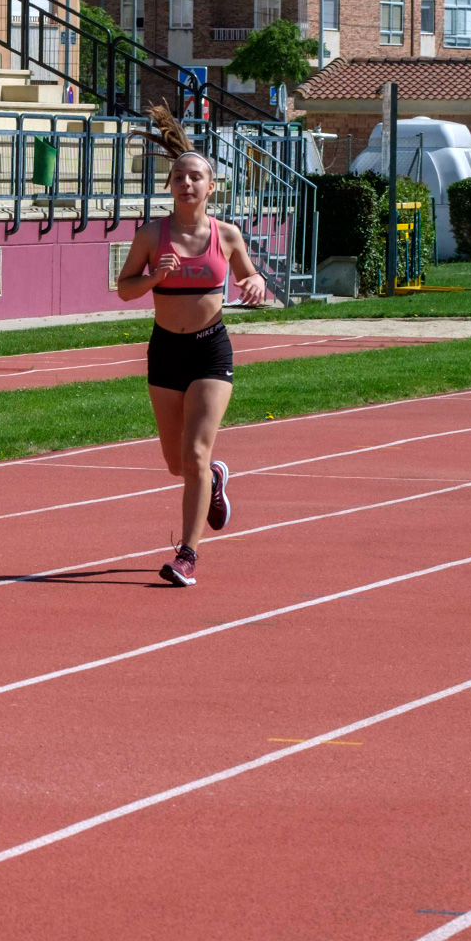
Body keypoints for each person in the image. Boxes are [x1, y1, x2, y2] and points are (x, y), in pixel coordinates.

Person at [112, 106, 270, 587]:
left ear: (211, 186)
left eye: (195, 177)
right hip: (165, 351)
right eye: (179, 177)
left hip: (209, 350)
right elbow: (123, 289)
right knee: (176, 464)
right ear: (170, 185)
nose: (186, 184)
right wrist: (155, 276)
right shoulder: (150, 235)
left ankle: (187, 554)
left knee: (196, 454)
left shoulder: (226, 234)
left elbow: (249, 273)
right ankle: (216, 480)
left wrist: (257, 283)